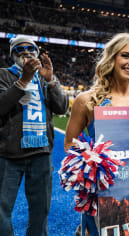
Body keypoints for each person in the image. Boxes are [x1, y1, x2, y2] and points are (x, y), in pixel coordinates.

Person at [64, 32, 129, 236]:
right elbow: (69, 146)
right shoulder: (87, 100)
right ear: (112, 58)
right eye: (126, 55)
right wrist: (91, 166)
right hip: (102, 200)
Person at [0, 35, 68, 235]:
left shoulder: (44, 77)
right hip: (9, 154)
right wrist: (23, 81)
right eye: (20, 49)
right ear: (13, 54)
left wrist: (51, 81)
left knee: (41, 212)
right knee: (1, 212)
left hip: (41, 153)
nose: (26, 53)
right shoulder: (3, 75)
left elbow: (62, 107)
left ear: (37, 53)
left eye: (30, 48)